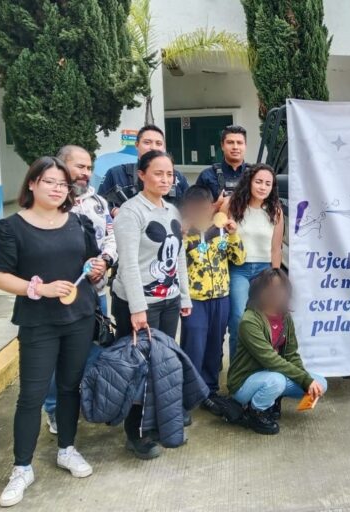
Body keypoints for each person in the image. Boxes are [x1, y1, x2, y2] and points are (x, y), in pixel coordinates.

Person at [0, 157, 105, 507]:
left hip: (80, 317)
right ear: (33, 184)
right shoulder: (11, 228)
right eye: (50, 181)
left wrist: (96, 268)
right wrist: (39, 288)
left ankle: (67, 448)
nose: (57, 189)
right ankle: (22, 467)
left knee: (70, 387)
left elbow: (91, 263)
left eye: (63, 184)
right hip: (38, 322)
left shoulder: (79, 223)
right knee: (32, 395)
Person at [110, 149, 192, 459]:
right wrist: (137, 308)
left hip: (168, 301)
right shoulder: (131, 213)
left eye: (169, 174)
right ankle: (134, 433)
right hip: (139, 303)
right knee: (138, 369)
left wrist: (183, 296)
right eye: (158, 173)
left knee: (163, 366)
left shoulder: (171, 210)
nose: (165, 179)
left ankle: (155, 424)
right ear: (141, 175)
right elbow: (128, 264)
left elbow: (178, 256)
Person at [43, 145, 118, 435]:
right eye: (80, 167)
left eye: (89, 167)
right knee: (57, 357)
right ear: (61, 166)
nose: (86, 173)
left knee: (93, 350)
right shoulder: (50, 203)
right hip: (60, 298)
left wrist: (106, 261)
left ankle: (83, 401)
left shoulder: (98, 202)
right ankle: (53, 409)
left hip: (96, 294)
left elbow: (111, 236)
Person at [228, 269, 327, 435]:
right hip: (244, 383)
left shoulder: (285, 317)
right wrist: (304, 379)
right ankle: (255, 412)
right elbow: (270, 360)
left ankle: (272, 399)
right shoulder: (249, 321)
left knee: (320, 382)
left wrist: (307, 380)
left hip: (273, 375)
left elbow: (292, 355)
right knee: (277, 380)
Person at [180, 185, 246, 414]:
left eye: (204, 207)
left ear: (211, 207)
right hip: (195, 300)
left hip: (221, 297)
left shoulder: (221, 230)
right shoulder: (183, 234)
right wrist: (180, 236)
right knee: (194, 346)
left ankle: (209, 390)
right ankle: (188, 394)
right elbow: (174, 265)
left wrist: (233, 233)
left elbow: (238, 259)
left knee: (214, 345)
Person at [225, 164, 284, 360]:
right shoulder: (233, 205)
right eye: (258, 181)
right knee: (238, 320)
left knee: (263, 321)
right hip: (238, 270)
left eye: (268, 183)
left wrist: (276, 277)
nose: (262, 187)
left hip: (264, 271)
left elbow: (276, 248)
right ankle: (236, 373)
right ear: (249, 181)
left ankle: (257, 369)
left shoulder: (275, 210)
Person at [98, 125, 189, 212]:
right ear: (137, 145)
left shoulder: (178, 177)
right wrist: (114, 211)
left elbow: (191, 207)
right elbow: (98, 205)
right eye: (147, 142)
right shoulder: (116, 174)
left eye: (158, 143)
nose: (153, 148)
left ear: (164, 147)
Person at [195, 125, 248, 205]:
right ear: (222, 146)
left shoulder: (255, 175)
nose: (235, 147)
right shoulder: (206, 176)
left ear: (245, 146)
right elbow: (196, 211)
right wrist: (216, 206)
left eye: (239, 143)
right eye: (230, 142)